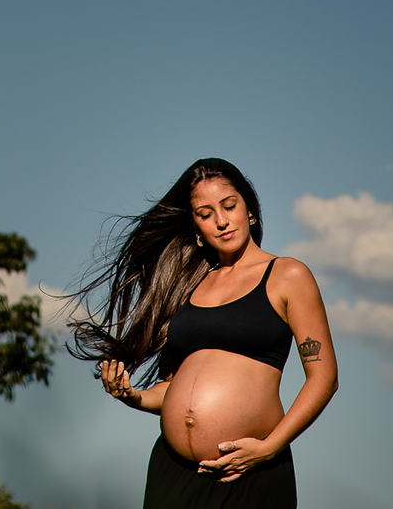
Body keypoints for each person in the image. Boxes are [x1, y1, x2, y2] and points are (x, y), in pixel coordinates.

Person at [70, 157, 337, 505]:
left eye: (229, 206)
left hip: (248, 469)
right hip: (174, 469)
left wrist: (270, 447)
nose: (221, 221)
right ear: (195, 226)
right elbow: (171, 390)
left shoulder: (287, 275)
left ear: (250, 209)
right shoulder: (188, 285)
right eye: (205, 213)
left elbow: (324, 377)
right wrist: (131, 395)